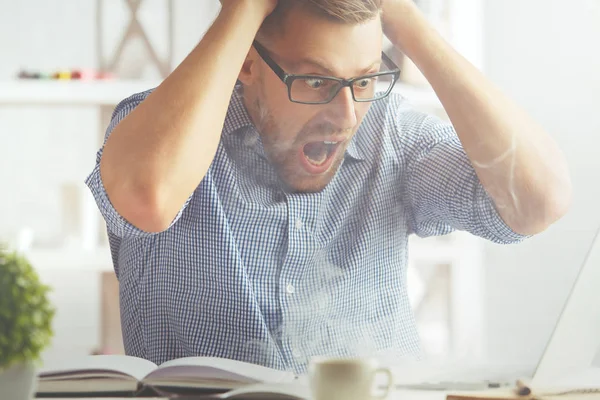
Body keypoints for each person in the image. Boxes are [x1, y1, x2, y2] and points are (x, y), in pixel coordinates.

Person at [85, 0, 571, 374]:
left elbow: (538, 201)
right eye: (315, 81)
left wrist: (405, 21)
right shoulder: (159, 131)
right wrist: (245, 9)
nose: (346, 116)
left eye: (364, 81)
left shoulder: (391, 133)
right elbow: (146, 198)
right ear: (248, 64)